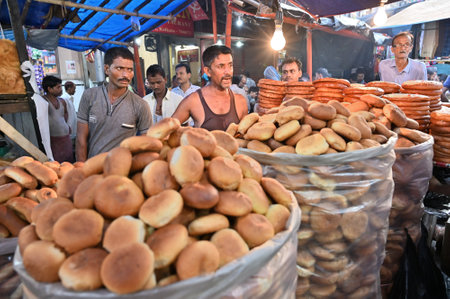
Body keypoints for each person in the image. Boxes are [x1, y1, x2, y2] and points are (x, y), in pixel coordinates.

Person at [76, 47, 152, 161]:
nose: (126, 75)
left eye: (130, 70)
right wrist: (81, 170)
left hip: (122, 170)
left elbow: (145, 145)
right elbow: (81, 139)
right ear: (107, 69)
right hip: (93, 169)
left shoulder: (141, 105)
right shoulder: (90, 96)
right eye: (119, 68)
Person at [172, 45, 248, 131]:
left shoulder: (240, 101)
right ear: (208, 71)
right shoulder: (193, 101)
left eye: (230, 65)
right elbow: (167, 130)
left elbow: (246, 136)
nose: (228, 72)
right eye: (221, 66)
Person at [42, 75, 73, 163]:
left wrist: (67, 126)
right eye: (58, 87)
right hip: (53, 140)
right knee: (56, 164)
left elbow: (65, 113)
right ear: (49, 89)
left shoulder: (62, 101)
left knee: (68, 162)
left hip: (65, 137)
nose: (61, 89)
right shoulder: (42, 101)